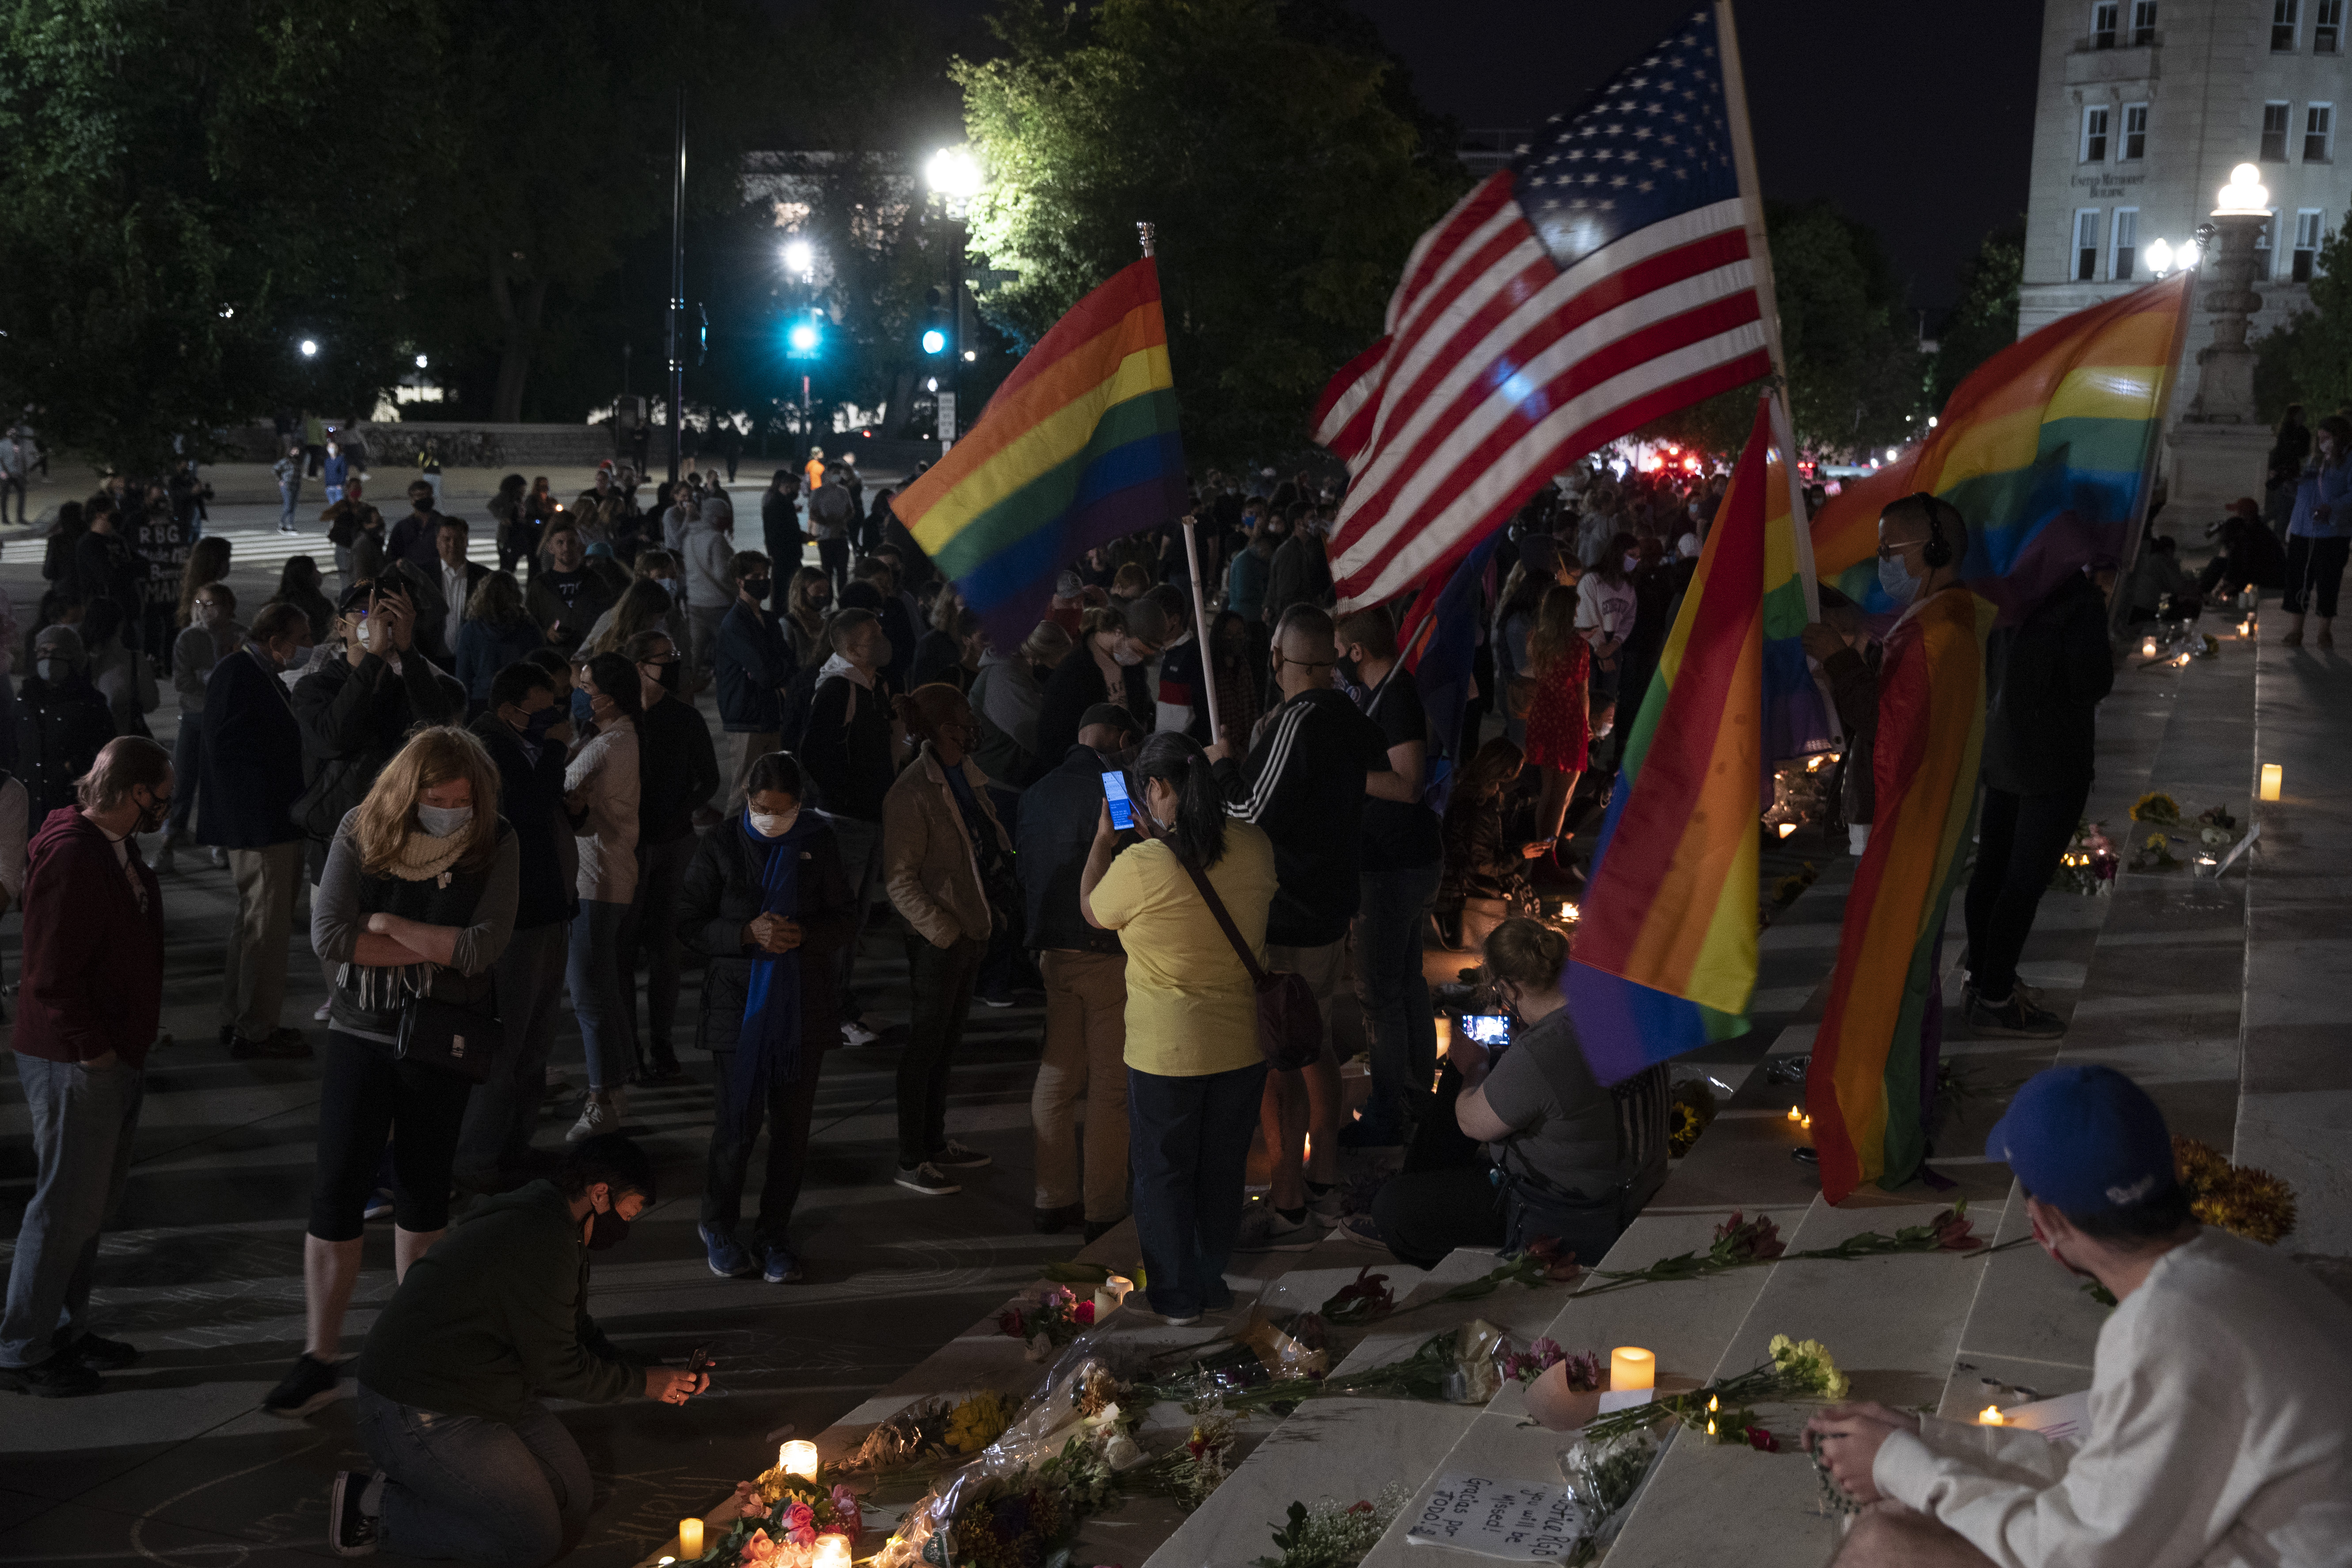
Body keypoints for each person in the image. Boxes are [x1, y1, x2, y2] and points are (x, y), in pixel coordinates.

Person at [1805, 1064, 2352, 1568]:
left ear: (2044, 1221)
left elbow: (2076, 1554)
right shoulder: (2227, 1265)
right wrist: (1931, 1440)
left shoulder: (2168, 1329)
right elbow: (2110, 1467)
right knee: (1908, 1514)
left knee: (1885, 1544)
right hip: (2235, 1531)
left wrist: (1905, 1466)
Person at [265, 726, 519, 1420]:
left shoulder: (495, 841)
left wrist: (389, 923)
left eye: (463, 801)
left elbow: (484, 947)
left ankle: (415, 1351)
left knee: (423, 1191)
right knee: (337, 1188)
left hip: (440, 1039)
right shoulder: (361, 828)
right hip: (362, 1031)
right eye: (437, 800)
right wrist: (433, 950)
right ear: (409, 793)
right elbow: (329, 936)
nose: (451, 812)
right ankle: (319, 1355)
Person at [333, 1134, 708, 1563]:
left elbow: (576, 1331)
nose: (629, 1223)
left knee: (571, 1496)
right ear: (600, 1193)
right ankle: (376, 1505)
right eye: (632, 1209)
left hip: (485, 1388)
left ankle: (439, 1480)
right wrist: (644, 1383)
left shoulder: (559, 1222)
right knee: (530, 1542)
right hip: (419, 1405)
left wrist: (655, 1369)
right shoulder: (540, 1239)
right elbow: (561, 1369)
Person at [1803, 494, 1994, 1205]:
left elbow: (1889, 742)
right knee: (1906, 982)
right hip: (1920, 831)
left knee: (1890, 987)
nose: (1882, 564)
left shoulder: (1934, 635)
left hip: (1908, 837)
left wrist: (1842, 667)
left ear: (1933, 553)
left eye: (1892, 551)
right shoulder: (1938, 624)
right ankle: (1887, 1124)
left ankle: (1881, 1135)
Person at [1209, 605, 1396, 1247]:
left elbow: (1245, 811)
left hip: (1289, 914)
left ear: (1282, 663)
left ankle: (1288, 1195)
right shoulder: (1347, 716)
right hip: (1329, 908)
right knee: (1312, 1040)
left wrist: (1222, 763)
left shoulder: (1302, 717)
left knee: (1278, 1056)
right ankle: (1325, 1173)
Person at [1080, 731, 1278, 1325]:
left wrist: (1101, 841)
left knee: (1164, 1174)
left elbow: (1091, 909)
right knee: (1221, 1170)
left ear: (1158, 789)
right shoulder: (1254, 844)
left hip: (1166, 1050)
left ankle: (1174, 1295)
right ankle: (1208, 1278)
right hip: (1242, 1042)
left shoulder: (1142, 864)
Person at [0, 737, 171, 1397]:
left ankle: (66, 1329)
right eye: (162, 792)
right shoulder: (74, 856)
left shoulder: (108, 846)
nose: (166, 806)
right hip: (76, 1061)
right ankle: (21, 1348)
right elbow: (48, 975)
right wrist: (94, 1049)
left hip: (108, 1055)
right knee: (64, 1207)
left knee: (88, 1207)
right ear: (135, 793)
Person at [1350, 917, 1667, 1266]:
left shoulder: (1546, 1048)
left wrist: (1475, 1067)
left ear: (1509, 988)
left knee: (1394, 1207)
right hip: (1628, 1184)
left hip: (1569, 1211)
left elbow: (1471, 1123)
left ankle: (1446, 1237)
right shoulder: (1619, 1012)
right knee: (1485, 1077)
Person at [683, 753, 856, 1283]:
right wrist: (744, 934)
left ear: (800, 807)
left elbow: (844, 918)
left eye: (781, 812)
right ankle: (718, 1223)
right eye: (760, 809)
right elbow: (688, 922)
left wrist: (803, 935)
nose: (769, 819)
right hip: (738, 1007)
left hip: (802, 1005)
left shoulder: (818, 843)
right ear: (747, 800)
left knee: (791, 1129)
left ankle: (773, 1233)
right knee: (736, 1125)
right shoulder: (720, 844)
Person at [1959, 565, 2115, 1041]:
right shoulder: (2076, 599)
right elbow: (2092, 683)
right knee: (2022, 882)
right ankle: (1995, 997)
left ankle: (1981, 979)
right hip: (2052, 758)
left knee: (1992, 869)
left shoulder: (2005, 583)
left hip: (2004, 747)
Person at [1018, 703, 1142, 1240]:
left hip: (1051, 951)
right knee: (1109, 1088)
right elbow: (1133, 857)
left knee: (1057, 1073)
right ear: (1119, 738)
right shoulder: (1114, 786)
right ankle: (1103, 1207)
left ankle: (1052, 1199)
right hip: (1103, 949)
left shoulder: (1036, 790)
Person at [880, 684, 1010, 1195]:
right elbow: (899, 880)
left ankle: (934, 1144)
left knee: (947, 1045)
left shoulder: (964, 776)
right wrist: (944, 932)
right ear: (937, 730)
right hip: (942, 941)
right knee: (924, 1047)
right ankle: (912, 1157)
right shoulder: (911, 794)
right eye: (959, 721)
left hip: (969, 932)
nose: (970, 728)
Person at [455, 663, 580, 1193]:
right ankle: (479, 1161)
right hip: (517, 919)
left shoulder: (516, 742)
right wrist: (554, 749)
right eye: (542, 707)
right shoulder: (486, 749)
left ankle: (516, 1147)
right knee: (507, 1046)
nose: (554, 715)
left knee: (536, 1041)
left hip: (549, 909)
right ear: (509, 711)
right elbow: (525, 808)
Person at [1334, 607, 1442, 1144]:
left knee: (1381, 994)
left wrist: (1345, 774)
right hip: (1398, 861)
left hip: (1392, 866)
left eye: (1340, 649)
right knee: (1405, 982)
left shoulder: (1395, 696)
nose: (1336, 659)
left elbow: (1408, 784)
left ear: (1357, 652)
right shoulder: (1382, 694)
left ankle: (1389, 1111)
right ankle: (1418, 1096)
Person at [291, 579, 467, 885]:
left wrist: (408, 650)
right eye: (363, 610)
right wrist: (372, 658)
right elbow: (333, 739)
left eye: (387, 610)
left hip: (399, 841)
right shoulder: (315, 687)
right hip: (336, 842)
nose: (375, 617)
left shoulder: (407, 685)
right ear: (341, 626)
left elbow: (439, 733)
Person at [198, 603, 314, 1061]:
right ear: (276, 643)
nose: (309, 646)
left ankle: (239, 1016)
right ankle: (256, 1028)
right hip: (262, 824)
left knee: (253, 926)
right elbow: (228, 749)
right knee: (266, 931)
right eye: (303, 638)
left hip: (268, 820)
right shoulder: (238, 673)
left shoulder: (258, 673)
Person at [618, 630, 718, 1084]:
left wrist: (682, 809)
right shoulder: (618, 717)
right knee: (622, 951)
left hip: (673, 844)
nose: (675, 664)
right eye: (667, 658)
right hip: (628, 849)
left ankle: (661, 1044)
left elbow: (710, 778)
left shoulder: (684, 718)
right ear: (640, 665)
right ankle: (627, 1048)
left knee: (666, 951)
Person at [799, 607, 901, 1044]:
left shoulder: (873, 685)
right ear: (853, 646)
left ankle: (838, 1004)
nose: (883, 637)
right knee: (840, 922)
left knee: (854, 921)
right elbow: (814, 753)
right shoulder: (840, 690)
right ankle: (830, 1012)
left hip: (869, 818)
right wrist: (848, 794)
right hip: (846, 822)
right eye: (874, 633)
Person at [562, 652, 642, 1141]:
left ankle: (600, 1098)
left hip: (594, 881)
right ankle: (615, 1086)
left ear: (608, 696)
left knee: (589, 997)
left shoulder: (606, 747)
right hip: (614, 877)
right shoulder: (624, 736)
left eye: (586, 685)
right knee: (606, 992)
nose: (579, 692)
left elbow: (560, 793)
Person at [1436, 737, 1546, 953]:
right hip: (1463, 885)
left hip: (1459, 875)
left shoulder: (1471, 791)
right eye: (1520, 768)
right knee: (1525, 899)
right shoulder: (1480, 807)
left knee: (1525, 867)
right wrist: (1520, 855)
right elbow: (1482, 865)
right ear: (1507, 772)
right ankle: (1456, 924)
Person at [715, 552, 793, 807]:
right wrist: (772, 670)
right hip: (746, 716)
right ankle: (731, 841)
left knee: (770, 786)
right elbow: (765, 671)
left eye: (766, 576)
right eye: (756, 577)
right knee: (745, 788)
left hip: (769, 712)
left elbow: (786, 662)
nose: (764, 581)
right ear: (740, 581)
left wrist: (772, 669)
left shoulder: (768, 620)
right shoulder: (735, 624)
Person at [1034, 602, 1156, 762]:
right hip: (1089, 766)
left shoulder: (1131, 666)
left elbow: (1143, 708)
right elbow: (1056, 735)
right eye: (1138, 651)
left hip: (1129, 760)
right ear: (1119, 632)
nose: (1139, 659)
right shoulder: (1073, 672)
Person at [17, 625, 115, 821]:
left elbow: (106, 749)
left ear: (73, 658)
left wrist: (73, 768)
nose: (49, 659)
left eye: (58, 652)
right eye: (43, 651)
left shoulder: (90, 702)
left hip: (69, 800)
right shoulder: (26, 698)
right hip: (30, 799)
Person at [2281, 411, 2352, 647]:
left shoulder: (2349, 461)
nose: (2323, 443)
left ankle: (2324, 631)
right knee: (2298, 580)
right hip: (2303, 528)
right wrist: (2290, 483)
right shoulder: (2315, 461)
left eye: (2328, 438)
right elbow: (2304, 492)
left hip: (2332, 532)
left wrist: (2332, 508)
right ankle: (2296, 630)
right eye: (2320, 439)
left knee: (2328, 580)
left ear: (2340, 437)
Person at [455, 572, 543, 715]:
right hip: (520, 702)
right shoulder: (528, 627)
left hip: (481, 702)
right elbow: (538, 667)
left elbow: (463, 676)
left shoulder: (471, 629)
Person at [524, 520, 615, 658]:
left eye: (571, 542)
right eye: (560, 543)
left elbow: (609, 616)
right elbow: (529, 623)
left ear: (580, 547)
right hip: (554, 657)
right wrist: (546, 633)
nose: (566, 548)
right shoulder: (540, 586)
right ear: (550, 548)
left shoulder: (595, 581)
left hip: (588, 655)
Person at [680, 487, 737, 682]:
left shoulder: (690, 537)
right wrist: (736, 590)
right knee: (727, 651)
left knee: (694, 655)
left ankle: (686, 690)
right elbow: (723, 574)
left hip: (695, 603)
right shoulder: (716, 539)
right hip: (719, 604)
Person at [324, 478, 386, 585]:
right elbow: (326, 517)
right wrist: (340, 512)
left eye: (359, 488)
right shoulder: (342, 506)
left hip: (361, 546)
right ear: (348, 489)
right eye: (355, 488)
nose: (357, 490)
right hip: (345, 547)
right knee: (348, 581)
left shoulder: (365, 507)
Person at [272, 555, 337, 644]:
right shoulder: (321, 605)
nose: (319, 574)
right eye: (315, 570)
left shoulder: (277, 605)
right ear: (308, 576)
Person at [386, 482, 445, 575]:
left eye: (428, 494)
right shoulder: (402, 527)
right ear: (412, 500)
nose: (425, 498)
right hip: (410, 577)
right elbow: (392, 556)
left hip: (438, 576)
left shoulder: (443, 524)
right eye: (421, 495)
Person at [782, 566, 832, 668]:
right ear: (802, 592)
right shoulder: (790, 624)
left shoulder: (825, 622)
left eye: (826, 589)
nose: (824, 594)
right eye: (818, 589)